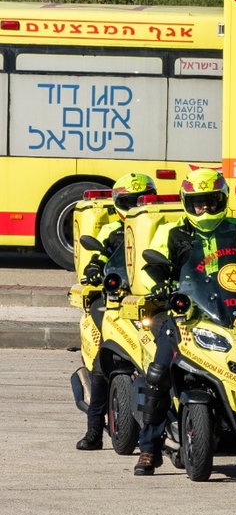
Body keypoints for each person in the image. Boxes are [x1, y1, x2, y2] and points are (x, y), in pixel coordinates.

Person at [133, 169, 236, 476]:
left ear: (222, 200)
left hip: (232, 313)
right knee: (158, 373)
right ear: (187, 203)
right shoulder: (173, 232)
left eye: (211, 201)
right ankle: (148, 449)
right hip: (186, 314)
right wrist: (159, 284)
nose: (204, 209)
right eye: (197, 203)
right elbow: (150, 264)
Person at [75, 172, 156, 451]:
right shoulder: (112, 232)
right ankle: (94, 431)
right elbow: (97, 257)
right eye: (128, 202)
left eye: (141, 201)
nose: (134, 207)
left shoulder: (159, 229)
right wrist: (95, 269)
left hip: (149, 301)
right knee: (100, 365)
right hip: (115, 300)